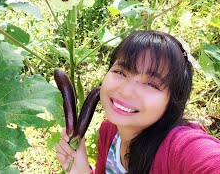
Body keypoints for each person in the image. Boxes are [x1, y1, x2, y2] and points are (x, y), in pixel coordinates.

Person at [55, 30, 220, 174]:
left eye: (151, 84)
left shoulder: (181, 148)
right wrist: (80, 170)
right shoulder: (109, 133)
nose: (126, 91)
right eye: (120, 71)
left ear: (173, 100)